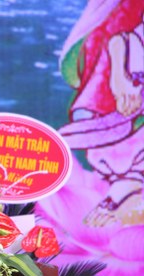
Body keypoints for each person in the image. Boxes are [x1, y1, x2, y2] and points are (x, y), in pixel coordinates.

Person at [58, 0, 144, 226]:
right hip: (121, 121)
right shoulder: (124, 41)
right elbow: (117, 48)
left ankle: (121, 193)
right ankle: (118, 193)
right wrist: (122, 83)